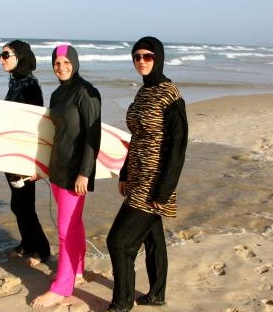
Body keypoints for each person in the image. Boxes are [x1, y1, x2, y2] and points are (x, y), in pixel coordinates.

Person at [106, 36, 189, 312]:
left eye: (147, 56)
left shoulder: (170, 94)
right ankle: (156, 294)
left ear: (159, 58)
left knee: (118, 242)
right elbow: (137, 137)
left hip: (155, 182)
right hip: (137, 176)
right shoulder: (142, 93)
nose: (141, 61)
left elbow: (178, 146)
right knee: (153, 238)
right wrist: (124, 173)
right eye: (137, 56)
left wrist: (164, 191)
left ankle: (121, 304)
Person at [31, 44, 101, 308]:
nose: (61, 67)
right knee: (74, 225)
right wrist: (41, 168)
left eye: (66, 62)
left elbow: (93, 137)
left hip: (75, 173)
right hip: (57, 168)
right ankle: (78, 269)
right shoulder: (58, 94)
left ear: (75, 62)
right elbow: (54, 136)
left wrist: (85, 173)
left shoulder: (87, 92)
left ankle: (62, 287)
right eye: (56, 63)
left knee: (64, 230)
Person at [0, 40, 50, 266]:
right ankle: (27, 244)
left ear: (19, 56)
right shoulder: (16, 82)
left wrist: (34, 163)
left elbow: (36, 126)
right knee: (17, 204)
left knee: (24, 205)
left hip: (23, 157)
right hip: (11, 153)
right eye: (1, 55)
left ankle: (42, 250)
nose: (2, 59)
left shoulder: (29, 85)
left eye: (6, 55)